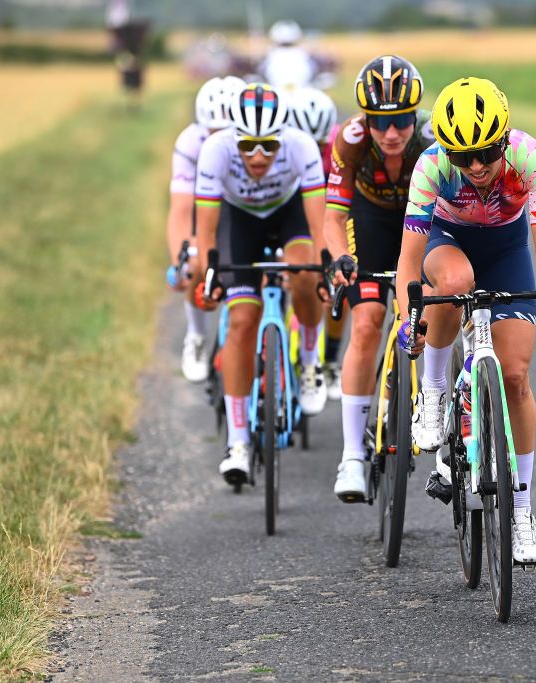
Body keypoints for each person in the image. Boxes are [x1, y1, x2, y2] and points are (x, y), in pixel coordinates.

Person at [394, 77, 536, 565]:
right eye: (464, 157)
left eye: (487, 152)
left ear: (505, 140)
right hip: (448, 240)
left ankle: (522, 511)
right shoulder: (430, 166)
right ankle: (436, 392)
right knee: (455, 281)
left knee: (516, 377)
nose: (478, 167)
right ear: (446, 151)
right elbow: (408, 261)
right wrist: (407, 318)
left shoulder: (530, 159)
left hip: (507, 249)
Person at [194, 83, 328, 486]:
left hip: (288, 213)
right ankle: (237, 442)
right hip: (240, 221)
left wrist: (324, 269)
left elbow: (319, 225)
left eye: (268, 146)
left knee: (305, 273)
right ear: (234, 137)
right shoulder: (215, 150)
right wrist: (209, 274)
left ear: (282, 138)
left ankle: (308, 361)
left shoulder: (301, 147)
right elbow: (207, 230)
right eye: (248, 145)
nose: (257, 156)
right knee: (241, 322)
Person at [324, 55, 434, 504]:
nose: (391, 134)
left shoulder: (431, 140)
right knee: (367, 321)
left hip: (422, 224)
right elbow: (333, 217)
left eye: (401, 122)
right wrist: (339, 259)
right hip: (369, 224)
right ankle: (351, 455)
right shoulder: (349, 141)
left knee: (438, 314)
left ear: (415, 116)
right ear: (365, 120)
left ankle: (436, 412)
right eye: (380, 123)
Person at [167, 76, 244, 382]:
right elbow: (182, 210)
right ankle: (197, 336)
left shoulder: (256, 141)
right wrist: (181, 260)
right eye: (214, 132)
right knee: (198, 261)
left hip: (245, 208)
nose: (220, 141)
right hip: (207, 209)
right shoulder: (190, 143)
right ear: (202, 128)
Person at [286, 86, 345, 400]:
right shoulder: (283, 144)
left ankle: (331, 359)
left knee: (341, 284)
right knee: (294, 269)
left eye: (320, 143)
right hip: (296, 213)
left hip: (334, 213)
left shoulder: (338, 143)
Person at [261, 20, 313, 93]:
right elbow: (312, 70)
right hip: (302, 92)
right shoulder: (302, 53)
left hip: (275, 93)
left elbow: (262, 71)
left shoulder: (272, 53)